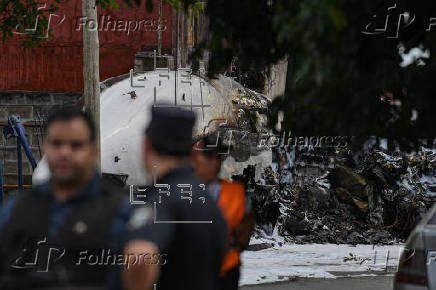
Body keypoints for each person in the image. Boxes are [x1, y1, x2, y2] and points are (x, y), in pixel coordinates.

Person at [0, 106, 127, 289]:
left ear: (93, 150)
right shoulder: (15, 210)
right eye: (57, 143)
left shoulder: (121, 212)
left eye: (76, 145)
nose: (65, 153)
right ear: (45, 146)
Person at [121, 106, 227, 290]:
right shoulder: (208, 202)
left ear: (146, 145)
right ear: (191, 151)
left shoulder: (161, 198)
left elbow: (140, 257)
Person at [192, 133, 255, 290]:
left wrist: (238, 245)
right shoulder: (178, 190)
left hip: (226, 272)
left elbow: (248, 219)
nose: (215, 162)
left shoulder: (236, 192)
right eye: (209, 156)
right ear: (194, 157)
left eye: (219, 156)